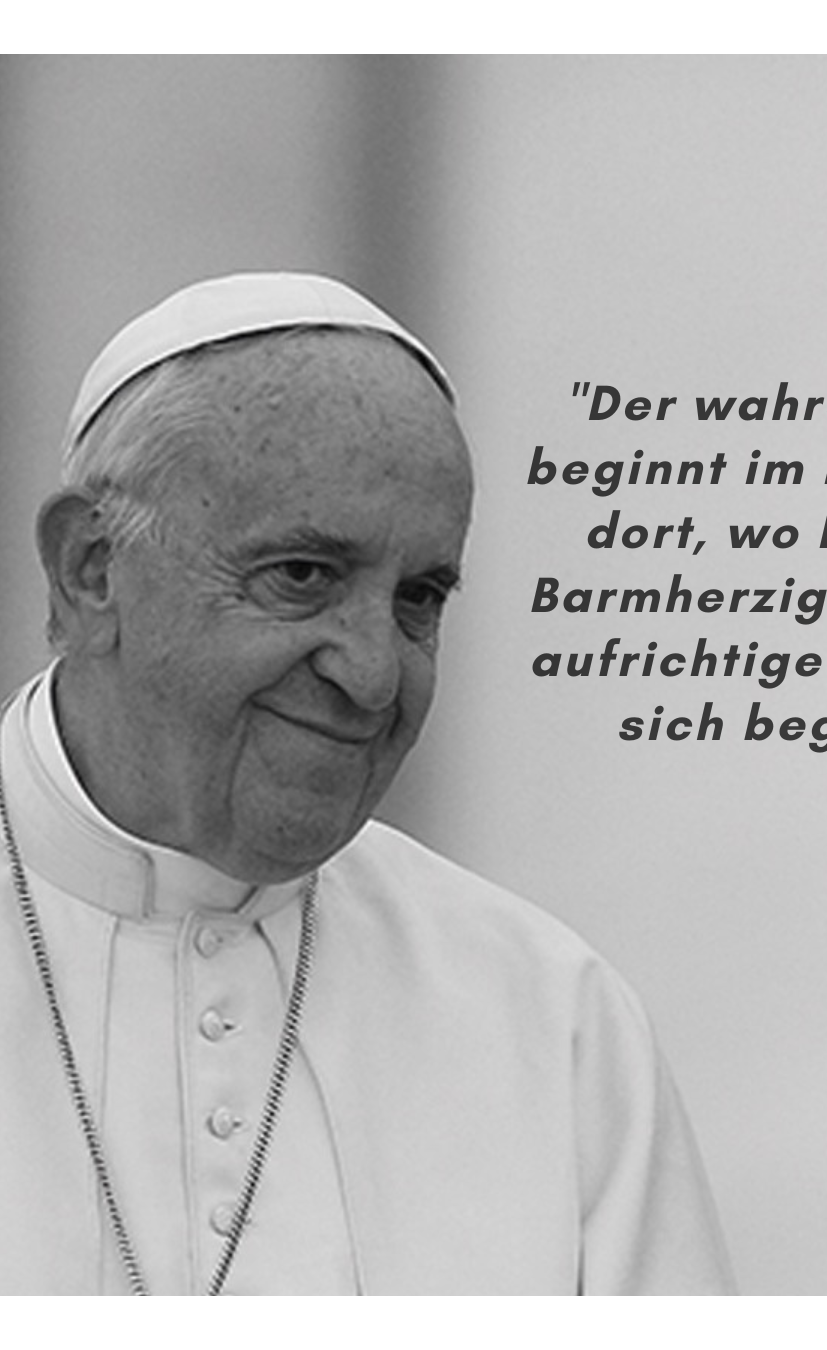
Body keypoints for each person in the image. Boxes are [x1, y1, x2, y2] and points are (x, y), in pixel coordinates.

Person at [0, 273, 735, 1296]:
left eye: (419, 598)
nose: (374, 673)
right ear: (91, 569)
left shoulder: (552, 1020)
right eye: (302, 575)